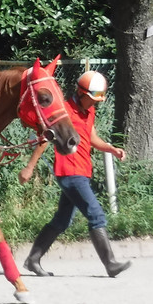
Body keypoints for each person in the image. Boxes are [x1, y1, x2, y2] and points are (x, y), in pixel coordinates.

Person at [18, 70, 131, 277]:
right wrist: (30, 167)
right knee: (96, 215)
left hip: (82, 170)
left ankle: (33, 260)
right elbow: (45, 139)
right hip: (69, 171)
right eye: (93, 98)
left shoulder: (89, 112)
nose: (96, 103)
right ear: (82, 93)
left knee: (62, 221)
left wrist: (111, 149)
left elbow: (92, 137)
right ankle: (110, 264)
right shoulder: (65, 111)